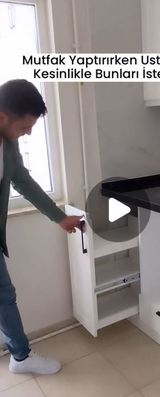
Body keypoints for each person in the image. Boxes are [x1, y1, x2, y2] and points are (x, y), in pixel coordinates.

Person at [0, 79, 83, 375]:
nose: (28, 133)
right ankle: (21, 357)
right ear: (2, 117)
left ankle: (20, 357)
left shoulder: (7, 145)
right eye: (24, 128)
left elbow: (22, 180)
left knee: (5, 297)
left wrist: (59, 217)